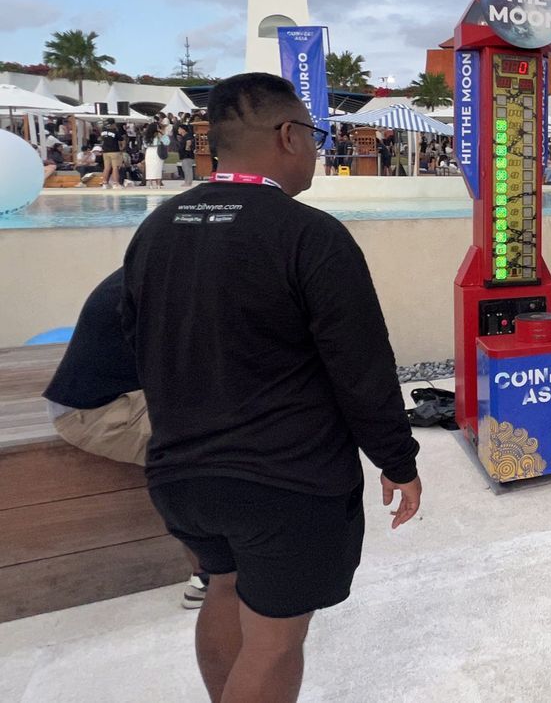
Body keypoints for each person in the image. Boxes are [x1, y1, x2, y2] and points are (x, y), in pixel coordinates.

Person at [121, 73, 422, 703]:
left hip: (181, 475)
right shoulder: (310, 235)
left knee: (223, 588)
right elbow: (362, 368)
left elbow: (135, 344)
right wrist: (397, 460)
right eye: (314, 134)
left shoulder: (158, 228)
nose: (315, 148)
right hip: (285, 481)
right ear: (288, 135)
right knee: (274, 642)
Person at [42, 268, 210, 608]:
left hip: (120, 392)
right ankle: (207, 576)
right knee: (208, 444)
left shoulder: (163, 265)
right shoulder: (173, 283)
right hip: (96, 411)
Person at [99, 120, 123, 189]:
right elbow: (121, 140)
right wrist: (121, 148)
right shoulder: (115, 131)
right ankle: (115, 183)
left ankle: (104, 183)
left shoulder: (103, 132)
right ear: (113, 124)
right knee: (115, 167)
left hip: (105, 152)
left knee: (106, 168)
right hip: (114, 151)